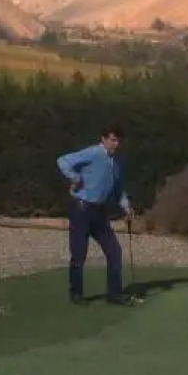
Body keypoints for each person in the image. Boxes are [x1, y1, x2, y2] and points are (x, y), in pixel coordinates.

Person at [56, 124, 136, 306]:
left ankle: (114, 294)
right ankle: (76, 294)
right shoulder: (93, 153)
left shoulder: (117, 163)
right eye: (113, 139)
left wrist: (126, 206)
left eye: (118, 141)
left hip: (99, 211)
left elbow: (118, 189)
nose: (116, 144)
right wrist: (75, 178)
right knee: (79, 254)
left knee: (114, 251)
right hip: (81, 208)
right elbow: (63, 161)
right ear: (103, 139)